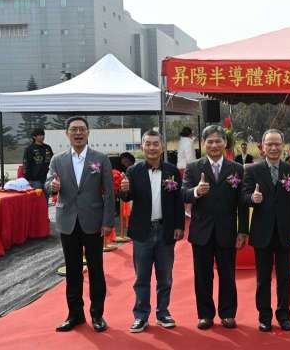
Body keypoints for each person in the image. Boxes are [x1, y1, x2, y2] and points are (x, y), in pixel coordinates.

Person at [44, 116, 115, 332]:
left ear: (88, 132)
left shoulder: (100, 159)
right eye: (73, 129)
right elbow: (48, 184)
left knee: (96, 269)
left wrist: (108, 221)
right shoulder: (58, 160)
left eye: (81, 129)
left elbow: (109, 193)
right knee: (73, 270)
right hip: (67, 222)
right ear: (67, 133)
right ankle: (75, 314)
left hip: (93, 222)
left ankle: (97, 315)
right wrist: (52, 186)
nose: (78, 133)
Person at [182, 125, 249, 330]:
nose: (214, 145)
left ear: (225, 143)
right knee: (203, 275)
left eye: (218, 141)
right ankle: (205, 315)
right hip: (201, 232)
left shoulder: (236, 168)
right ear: (203, 144)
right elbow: (182, 194)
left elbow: (242, 202)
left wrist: (243, 230)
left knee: (227, 274)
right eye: (209, 141)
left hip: (227, 231)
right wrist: (196, 192)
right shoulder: (193, 168)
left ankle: (228, 313)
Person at [119, 130, 185, 333]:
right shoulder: (134, 171)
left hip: (165, 231)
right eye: (147, 144)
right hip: (142, 232)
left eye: (156, 143)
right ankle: (141, 316)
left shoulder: (172, 171)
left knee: (165, 277)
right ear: (142, 147)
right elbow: (126, 198)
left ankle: (163, 312)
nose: (152, 147)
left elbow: (178, 201)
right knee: (142, 278)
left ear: (162, 147)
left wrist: (179, 226)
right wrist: (123, 189)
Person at [242, 129, 290, 332]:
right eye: (270, 144)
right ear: (263, 147)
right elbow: (243, 197)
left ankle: (284, 315)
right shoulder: (252, 170)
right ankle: (264, 316)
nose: (274, 148)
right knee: (263, 278)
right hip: (262, 232)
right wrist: (253, 198)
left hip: (286, 233)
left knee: (284, 277)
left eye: (277, 144)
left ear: (283, 146)